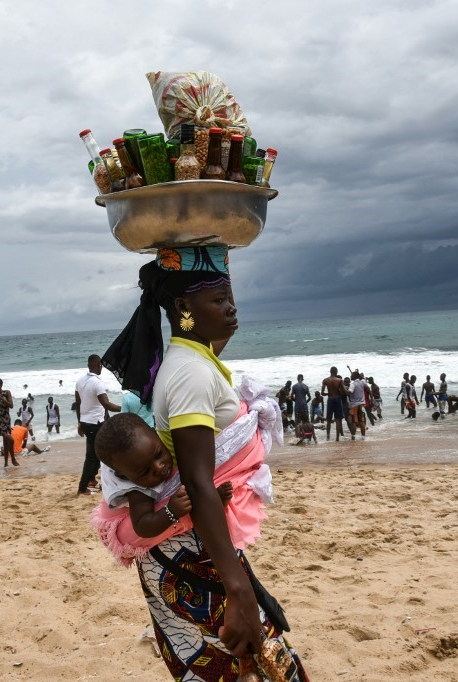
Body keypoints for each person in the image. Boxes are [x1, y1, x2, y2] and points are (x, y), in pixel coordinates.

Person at [97, 246, 307, 679]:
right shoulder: (190, 372)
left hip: (186, 550)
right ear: (182, 307)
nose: (231, 309)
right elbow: (196, 481)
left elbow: (210, 335)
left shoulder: (193, 357)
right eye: (218, 300)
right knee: (266, 669)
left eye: (231, 296)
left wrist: (210, 275)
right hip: (191, 554)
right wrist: (238, 590)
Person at [94, 413, 233, 538]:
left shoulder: (165, 442)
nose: (159, 467)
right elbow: (142, 527)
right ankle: (213, 504)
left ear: (157, 435)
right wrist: (171, 511)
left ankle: (212, 502)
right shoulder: (138, 491)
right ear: (125, 477)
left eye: (159, 454)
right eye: (145, 472)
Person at [75, 355, 121, 494]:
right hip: (96, 424)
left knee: (95, 453)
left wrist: (79, 422)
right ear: (98, 365)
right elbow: (106, 403)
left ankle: (92, 480)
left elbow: (78, 404)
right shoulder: (98, 383)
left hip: (86, 422)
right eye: (101, 365)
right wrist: (124, 407)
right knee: (94, 455)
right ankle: (83, 487)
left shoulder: (80, 381)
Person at [321, 367, 347, 441]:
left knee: (329, 419)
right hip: (338, 399)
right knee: (338, 419)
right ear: (336, 372)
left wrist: (328, 393)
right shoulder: (339, 380)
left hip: (330, 399)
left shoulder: (325, 380)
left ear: (330, 371)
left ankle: (328, 437)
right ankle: (337, 438)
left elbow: (322, 393)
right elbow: (344, 391)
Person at [348, 370, 367, 437]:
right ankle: (363, 436)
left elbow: (350, 392)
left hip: (354, 405)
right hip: (361, 404)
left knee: (353, 421)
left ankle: (353, 437)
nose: (350, 376)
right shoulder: (362, 382)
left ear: (354, 376)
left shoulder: (352, 384)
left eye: (351, 375)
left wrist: (344, 391)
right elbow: (366, 386)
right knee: (361, 421)